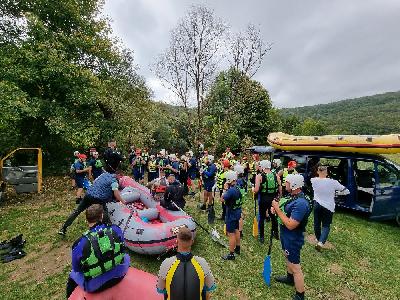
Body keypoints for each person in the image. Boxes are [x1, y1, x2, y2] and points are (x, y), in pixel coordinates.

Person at [66, 204, 130, 298]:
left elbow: (77, 269)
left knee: (73, 273)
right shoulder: (116, 229)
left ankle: (69, 296)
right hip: (119, 274)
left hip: (95, 286)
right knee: (126, 256)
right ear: (102, 216)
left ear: (87, 219)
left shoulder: (80, 243)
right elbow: (122, 248)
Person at [59, 152, 126, 236]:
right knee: (105, 215)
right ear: (118, 174)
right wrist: (123, 201)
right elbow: (116, 193)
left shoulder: (103, 175)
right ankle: (109, 232)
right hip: (99, 198)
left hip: (89, 194)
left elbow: (95, 182)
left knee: (77, 211)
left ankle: (63, 228)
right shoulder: (114, 180)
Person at [271, 174, 310, 300]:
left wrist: (277, 209)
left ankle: (300, 295)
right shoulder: (293, 196)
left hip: (293, 236)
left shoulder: (301, 203)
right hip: (286, 235)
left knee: (295, 266)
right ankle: (289, 277)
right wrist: (276, 209)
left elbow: (291, 224)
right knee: (287, 256)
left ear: (293, 185)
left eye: (286, 183)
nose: (284, 184)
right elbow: (286, 210)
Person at [157, 227, 216, 299]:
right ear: (192, 241)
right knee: (205, 289)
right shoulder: (202, 263)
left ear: (176, 241)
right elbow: (210, 287)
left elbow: (160, 288)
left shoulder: (166, 264)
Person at [311, 165, 349, 251]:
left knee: (317, 223)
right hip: (328, 206)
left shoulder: (313, 180)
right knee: (326, 225)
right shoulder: (333, 182)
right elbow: (347, 191)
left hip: (317, 204)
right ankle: (321, 242)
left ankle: (318, 238)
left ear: (317, 172)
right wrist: (337, 193)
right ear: (327, 173)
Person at [221, 170, 243, 260]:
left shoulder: (230, 191)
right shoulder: (238, 187)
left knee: (231, 234)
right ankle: (238, 248)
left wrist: (225, 189)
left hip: (231, 214)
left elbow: (222, 199)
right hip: (238, 212)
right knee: (237, 229)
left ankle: (231, 254)